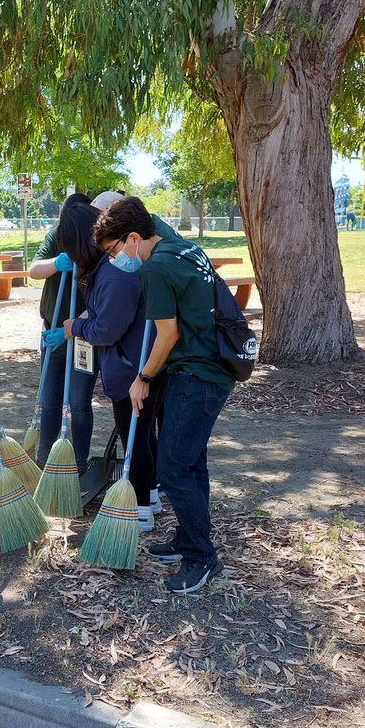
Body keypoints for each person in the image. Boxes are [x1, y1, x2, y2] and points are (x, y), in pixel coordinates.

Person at [93, 197, 236, 595]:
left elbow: (167, 335)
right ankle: (188, 540)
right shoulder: (183, 248)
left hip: (197, 373)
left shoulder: (154, 267)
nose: (116, 259)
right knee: (192, 462)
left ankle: (202, 559)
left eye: (114, 250)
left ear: (134, 238)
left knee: (173, 467)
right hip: (213, 369)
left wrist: (143, 377)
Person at [56, 204, 166, 531]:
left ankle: (140, 509)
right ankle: (153, 493)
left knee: (134, 439)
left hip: (132, 369)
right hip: (142, 363)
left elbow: (108, 329)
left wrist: (75, 327)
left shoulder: (114, 274)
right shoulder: (114, 267)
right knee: (144, 433)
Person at [28, 193, 98, 470]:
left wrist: (72, 330)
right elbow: (33, 270)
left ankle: (78, 463)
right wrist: (56, 263)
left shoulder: (96, 245)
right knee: (49, 399)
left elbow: (102, 303)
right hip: (52, 330)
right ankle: (44, 458)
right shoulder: (56, 237)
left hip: (83, 336)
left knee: (79, 401)